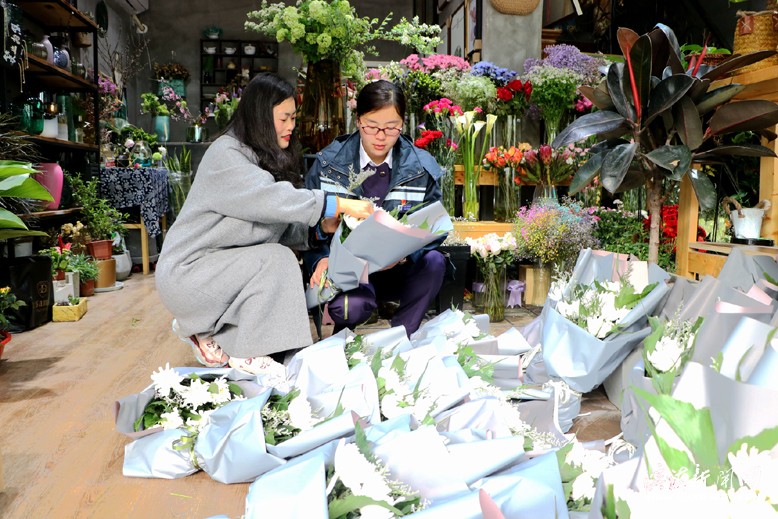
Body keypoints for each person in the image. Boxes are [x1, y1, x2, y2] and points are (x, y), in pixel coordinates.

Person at [155, 72, 374, 373]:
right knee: (277, 261)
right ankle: (257, 354)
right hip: (189, 273)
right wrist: (335, 203)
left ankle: (232, 343)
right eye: (283, 118)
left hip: (219, 268)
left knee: (278, 258)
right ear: (259, 115)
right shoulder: (226, 155)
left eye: (294, 118)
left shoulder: (260, 157)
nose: (291, 127)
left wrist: (320, 228)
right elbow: (271, 198)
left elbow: (273, 226)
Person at [304, 79, 447, 336]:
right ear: (358, 120)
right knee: (350, 307)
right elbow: (305, 224)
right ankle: (343, 336)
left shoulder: (421, 167)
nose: (381, 137)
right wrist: (324, 255)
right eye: (372, 127)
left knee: (434, 262)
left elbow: (435, 226)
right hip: (348, 269)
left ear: (402, 124)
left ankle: (400, 337)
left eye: (391, 128)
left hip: (399, 268)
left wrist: (404, 253)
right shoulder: (329, 164)